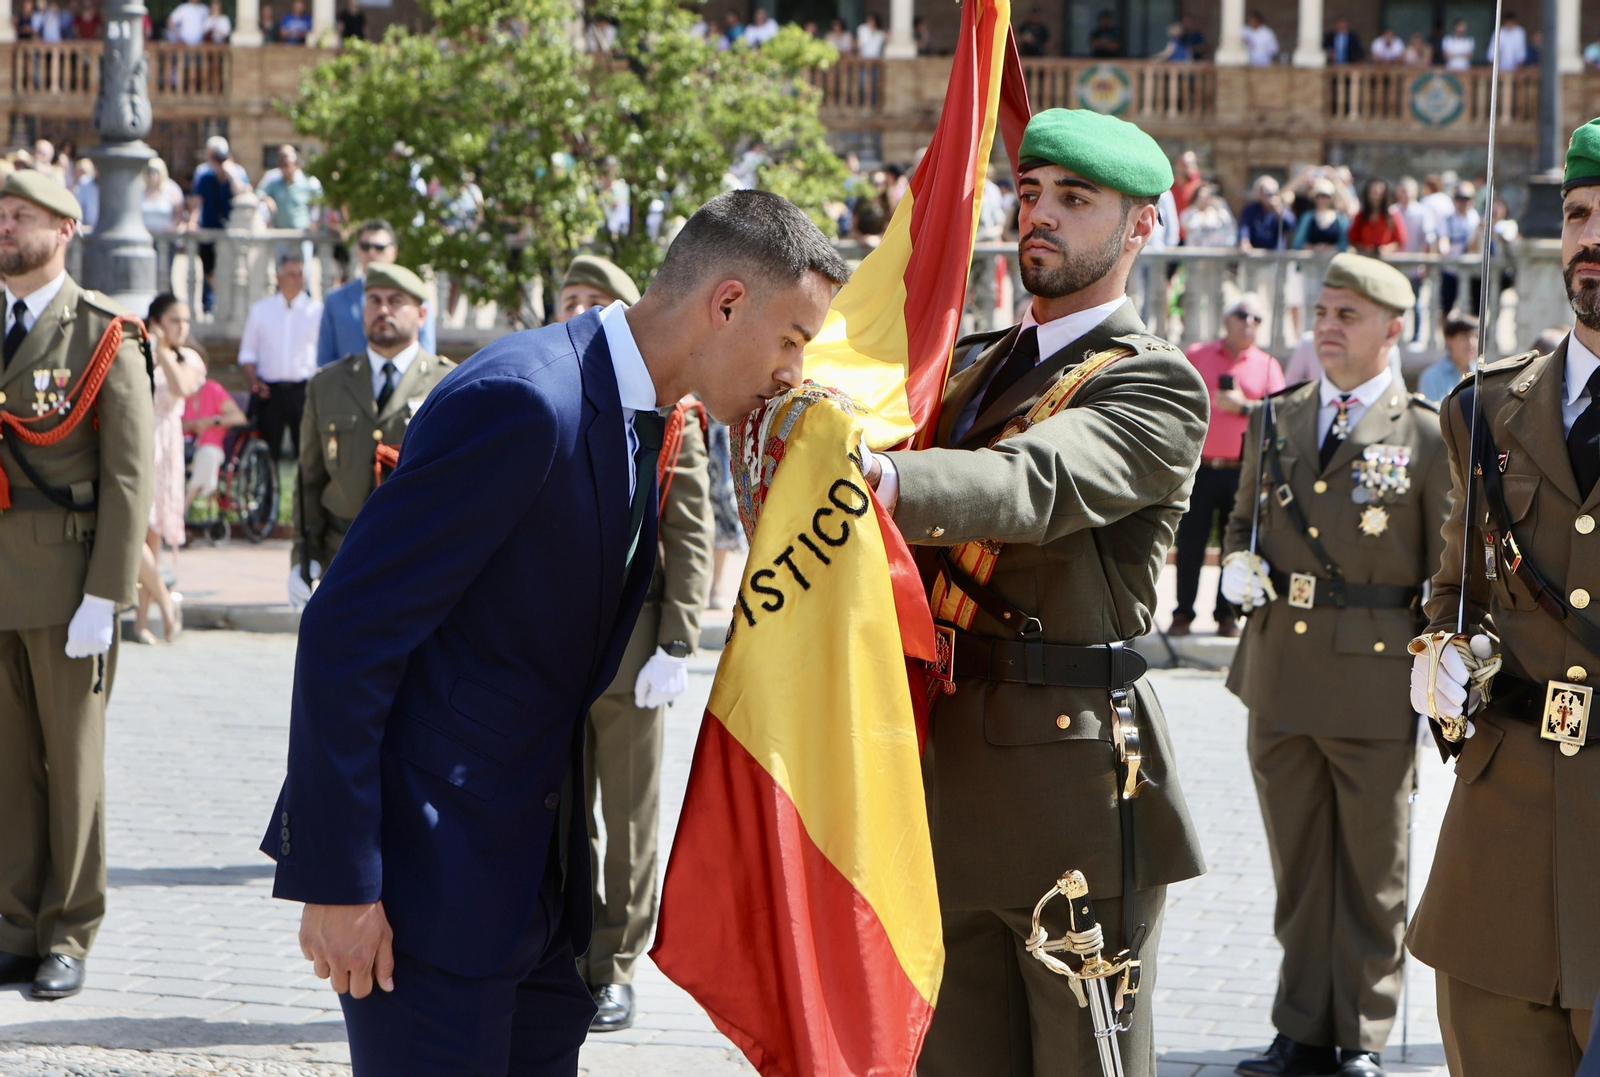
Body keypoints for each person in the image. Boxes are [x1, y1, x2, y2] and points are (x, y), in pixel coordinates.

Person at [260, 189, 845, 1074]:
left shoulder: (645, 412)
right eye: (793, 339)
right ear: (726, 303)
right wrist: (338, 881)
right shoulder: (526, 399)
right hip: (426, 896)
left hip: (536, 896)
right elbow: (348, 631)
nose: (792, 371)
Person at [856, 108, 1208, 1077]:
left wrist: (878, 479)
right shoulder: (971, 370)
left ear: (1141, 228)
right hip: (947, 770)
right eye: (1031, 194)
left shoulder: (1152, 386)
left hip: (1074, 796)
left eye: (1075, 199)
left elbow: (1030, 485)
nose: (1039, 215)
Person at [1222, 254, 1450, 1077]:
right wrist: (1233, 565)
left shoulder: (1425, 431)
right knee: (1298, 864)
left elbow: (1445, 568)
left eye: (1348, 314)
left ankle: (1360, 1033)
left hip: (1371, 676)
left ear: (1394, 329)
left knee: (1371, 871)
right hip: (1278, 667)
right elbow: (1244, 519)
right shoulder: (1276, 420)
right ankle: (1300, 1027)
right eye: (1322, 311)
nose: (1327, 327)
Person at [1406, 116, 1600, 1077]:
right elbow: (1454, 590)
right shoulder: (1484, 406)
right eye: (1577, 214)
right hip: (1504, 850)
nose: (1591, 237)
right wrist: (1440, 660)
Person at [548, 256, 715, 1034]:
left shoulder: (669, 409)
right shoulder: (551, 396)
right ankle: (567, 946)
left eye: (592, 301)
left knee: (629, 818)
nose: (578, 312)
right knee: (563, 812)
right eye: (568, 301)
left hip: (633, 653)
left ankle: (614, 965)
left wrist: (677, 641)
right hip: (554, 650)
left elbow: (689, 534)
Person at [0, 172, 153, 1002]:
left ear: (66, 228)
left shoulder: (102, 333)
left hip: (66, 587)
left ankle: (68, 929)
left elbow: (130, 475)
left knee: (73, 768)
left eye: (21, 214)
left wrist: (109, 593)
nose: (5, 225)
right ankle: (14, 923)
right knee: (7, 765)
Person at [288, 263, 453, 609]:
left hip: (419, 560)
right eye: (374, 301)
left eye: (396, 301)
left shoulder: (449, 383)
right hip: (342, 557)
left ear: (421, 314)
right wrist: (304, 557)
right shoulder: (327, 384)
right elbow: (309, 478)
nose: (383, 310)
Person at [1172, 294, 1284, 639]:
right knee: (1190, 544)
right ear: (1226, 320)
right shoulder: (1198, 355)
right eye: (1241, 315)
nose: (1248, 322)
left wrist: (1245, 405)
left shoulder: (1268, 365)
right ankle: (1183, 613)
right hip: (1200, 468)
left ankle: (1226, 615)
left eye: (1256, 318)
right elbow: (1176, 400)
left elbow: (1280, 416)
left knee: (1234, 546)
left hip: (1242, 469)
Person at [136, 293, 205, 645]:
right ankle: (164, 600)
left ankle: (142, 621)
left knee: (153, 533)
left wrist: (163, 351)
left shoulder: (187, 357)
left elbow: (182, 388)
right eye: (175, 319)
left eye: (186, 321)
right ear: (158, 319)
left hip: (167, 445)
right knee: (133, 530)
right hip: (137, 440)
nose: (182, 327)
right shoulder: (136, 349)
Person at [318, 219, 437, 367]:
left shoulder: (415, 297)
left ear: (394, 251)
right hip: (350, 387)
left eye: (379, 247)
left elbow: (427, 359)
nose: (372, 253)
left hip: (405, 387)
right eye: (365, 246)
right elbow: (325, 361)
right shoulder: (335, 299)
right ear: (357, 250)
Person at [239, 255, 322, 462]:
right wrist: (254, 383)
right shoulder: (260, 310)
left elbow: (324, 356)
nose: (296, 279)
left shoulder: (317, 311)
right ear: (279, 277)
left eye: (301, 275)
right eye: (291, 274)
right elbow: (247, 353)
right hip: (269, 392)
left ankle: (305, 495)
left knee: (308, 455)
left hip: (304, 391)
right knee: (266, 455)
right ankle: (266, 494)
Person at [187, 136, 249, 314]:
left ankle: (227, 306)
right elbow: (197, 203)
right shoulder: (204, 176)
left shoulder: (237, 173)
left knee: (230, 271)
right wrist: (192, 222)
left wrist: (230, 174)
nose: (219, 163)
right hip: (209, 230)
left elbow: (242, 194)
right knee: (209, 273)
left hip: (231, 233)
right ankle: (209, 306)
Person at [183, 376, 246, 512]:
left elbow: (239, 417)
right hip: (181, 445)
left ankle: (183, 507)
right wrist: (186, 425)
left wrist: (212, 421)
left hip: (209, 445)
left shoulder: (212, 389)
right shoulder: (175, 389)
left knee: (208, 455)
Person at [1437, 181, 1480, 327]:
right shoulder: (1448, 218)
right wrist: (1444, 248)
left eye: (1466, 199)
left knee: (1473, 309)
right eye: (1459, 198)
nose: (1463, 202)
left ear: (1472, 200)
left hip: (1471, 271)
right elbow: (1443, 239)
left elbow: (1474, 245)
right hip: (1451, 269)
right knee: (1446, 307)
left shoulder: (1476, 219)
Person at [1417, 311, 1478, 403]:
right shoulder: (1431, 377)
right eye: (1464, 336)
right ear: (1449, 339)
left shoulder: (1484, 374)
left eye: (1476, 336)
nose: (1471, 343)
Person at [1348, 178, 1407, 257]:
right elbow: (1353, 238)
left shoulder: (1392, 215)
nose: (1376, 194)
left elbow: (1400, 239)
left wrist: (1387, 249)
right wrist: (1365, 249)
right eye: (1373, 191)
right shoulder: (1361, 216)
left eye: (1379, 191)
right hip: (1365, 259)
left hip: (1386, 260)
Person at [1293, 178, 1349, 252]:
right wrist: (1314, 247)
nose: (1322, 200)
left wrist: (1328, 248)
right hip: (1311, 260)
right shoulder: (1307, 217)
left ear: (1331, 198)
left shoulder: (1340, 218)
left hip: (1333, 260)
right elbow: (1298, 243)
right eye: (1319, 196)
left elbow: (1344, 243)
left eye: (1326, 197)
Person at [1239, 175, 1294, 251]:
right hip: (1255, 255)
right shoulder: (1250, 210)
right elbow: (1244, 228)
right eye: (1263, 192)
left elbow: (1290, 225)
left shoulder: (1282, 208)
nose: (1267, 195)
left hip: (1275, 255)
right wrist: (1244, 242)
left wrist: (1277, 207)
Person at [1179, 184, 1236, 248]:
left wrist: (1218, 208)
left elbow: (1229, 224)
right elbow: (1189, 226)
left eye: (1207, 197)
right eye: (1201, 197)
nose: (1204, 200)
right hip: (1194, 252)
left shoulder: (1217, 212)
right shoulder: (1189, 214)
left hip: (1215, 252)